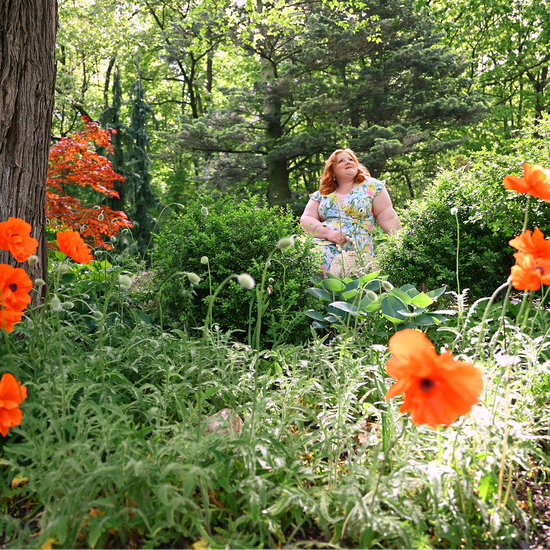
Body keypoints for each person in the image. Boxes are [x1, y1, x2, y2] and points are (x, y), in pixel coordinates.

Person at [300, 149, 401, 276]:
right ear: (332, 171)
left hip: (354, 247)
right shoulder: (323, 194)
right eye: (341, 161)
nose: (347, 162)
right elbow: (306, 220)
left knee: (317, 255)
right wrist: (328, 233)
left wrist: (401, 244)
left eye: (351, 159)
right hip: (323, 239)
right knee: (297, 250)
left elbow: (388, 217)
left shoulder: (372, 186)